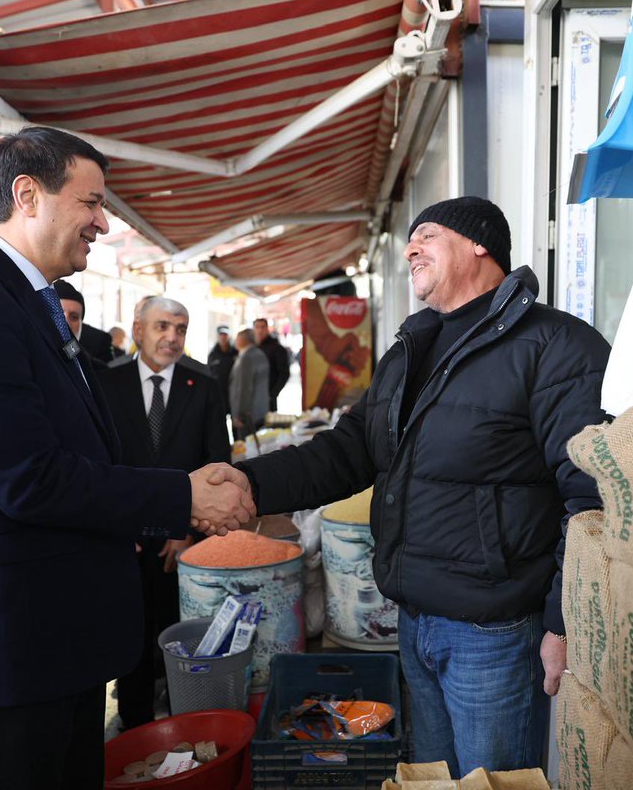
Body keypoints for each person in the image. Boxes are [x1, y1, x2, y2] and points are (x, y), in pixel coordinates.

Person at [0, 126, 254, 790]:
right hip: (10, 649)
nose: (102, 221)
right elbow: (28, 478)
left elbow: (82, 453)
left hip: (54, 642)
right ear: (27, 195)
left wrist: (180, 485)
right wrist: (182, 498)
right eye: (90, 202)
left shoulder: (26, 305)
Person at [233, 197, 610, 777]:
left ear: (480, 244)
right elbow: (347, 451)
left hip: (495, 634)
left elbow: (590, 499)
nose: (409, 249)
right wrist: (248, 485)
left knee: (494, 783)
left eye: (426, 235)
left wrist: (563, 622)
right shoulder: (412, 350)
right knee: (432, 779)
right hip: (415, 621)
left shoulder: (556, 348)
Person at [96, 296, 231, 729]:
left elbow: (217, 464)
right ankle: (134, 723)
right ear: (138, 330)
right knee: (129, 634)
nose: (171, 337)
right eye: (162, 327)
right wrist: (118, 526)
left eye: (180, 329)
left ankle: (185, 720)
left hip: (183, 540)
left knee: (183, 635)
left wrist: (186, 530)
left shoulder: (204, 384)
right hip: (126, 536)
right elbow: (100, 461)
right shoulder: (106, 383)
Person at [54, 278, 116, 366]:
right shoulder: (30, 354)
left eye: (74, 317)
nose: (66, 322)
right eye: (59, 314)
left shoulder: (92, 366)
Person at [229, 327, 269, 441]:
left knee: (248, 448)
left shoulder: (246, 357)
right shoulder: (260, 353)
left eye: (237, 338)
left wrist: (239, 415)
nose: (235, 342)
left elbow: (244, 388)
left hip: (247, 415)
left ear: (243, 340)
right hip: (260, 410)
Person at [254, 317, 290, 411]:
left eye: (262, 327)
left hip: (268, 397)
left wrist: (273, 393)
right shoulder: (251, 348)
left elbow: (284, 373)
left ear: (267, 329)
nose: (260, 330)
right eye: (257, 327)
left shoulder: (277, 349)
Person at [206, 324, 237, 415]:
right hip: (219, 395)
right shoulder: (213, 354)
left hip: (234, 394)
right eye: (221, 335)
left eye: (225, 335)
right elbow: (209, 374)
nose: (223, 337)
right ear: (217, 336)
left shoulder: (235, 352)